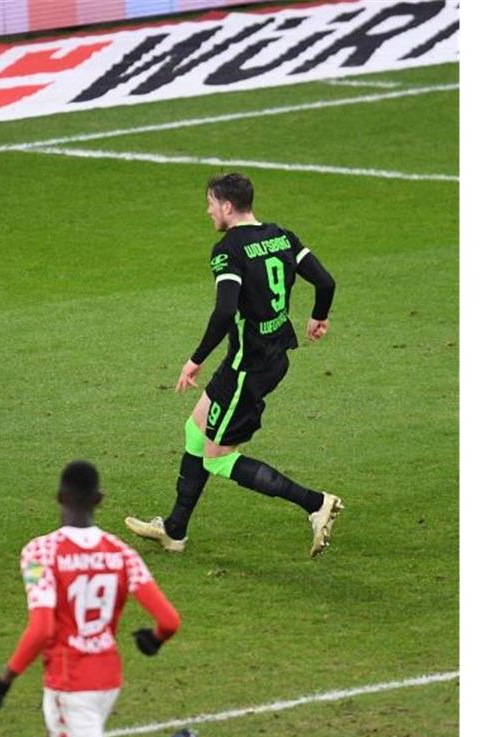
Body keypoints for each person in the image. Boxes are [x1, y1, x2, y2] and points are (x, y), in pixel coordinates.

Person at [126, 173, 342, 558]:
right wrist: (318, 317)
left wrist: (194, 360)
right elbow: (325, 282)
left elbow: (226, 310)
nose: (207, 210)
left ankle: (315, 503)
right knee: (195, 429)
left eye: (211, 202)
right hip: (268, 355)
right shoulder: (283, 237)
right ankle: (174, 530)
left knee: (218, 459)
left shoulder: (227, 250)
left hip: (249, 366)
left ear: (227, 206)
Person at [0, 461, 201, 737]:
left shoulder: (39, 552)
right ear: (99, 499)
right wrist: (154, 639)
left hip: (70, 683)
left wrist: (4, 680)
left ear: (60, 496)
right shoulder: (121, 552)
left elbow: (41, 629)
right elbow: (169, 620)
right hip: (107, 678)